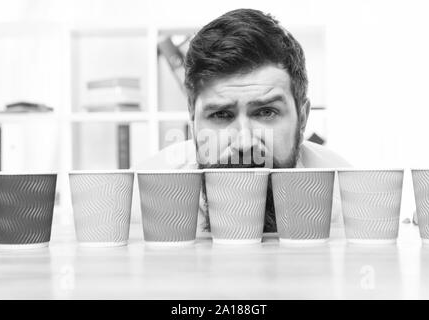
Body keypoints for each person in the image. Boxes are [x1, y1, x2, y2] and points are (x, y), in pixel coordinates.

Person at [138, 8, 351, 236]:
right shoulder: (138, 205)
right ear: (192, 117)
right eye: (221, 114)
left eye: (267, 112)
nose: (244, 143)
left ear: (302, 119)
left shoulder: (352, 206)